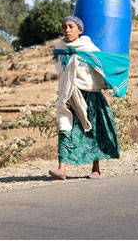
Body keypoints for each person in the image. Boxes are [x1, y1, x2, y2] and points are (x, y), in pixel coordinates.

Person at [48, 15, 126, 180]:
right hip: (68, 95)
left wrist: (114, 79)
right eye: (64, 27)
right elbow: (61, 72)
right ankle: (61, 169)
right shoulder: (60, 49)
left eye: (71, 26)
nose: (67, 30)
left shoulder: (88, 48)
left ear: (80, 30)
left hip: (89, 94)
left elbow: (103, 66)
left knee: (93, 130)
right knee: (65, 128)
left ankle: (96, 169)